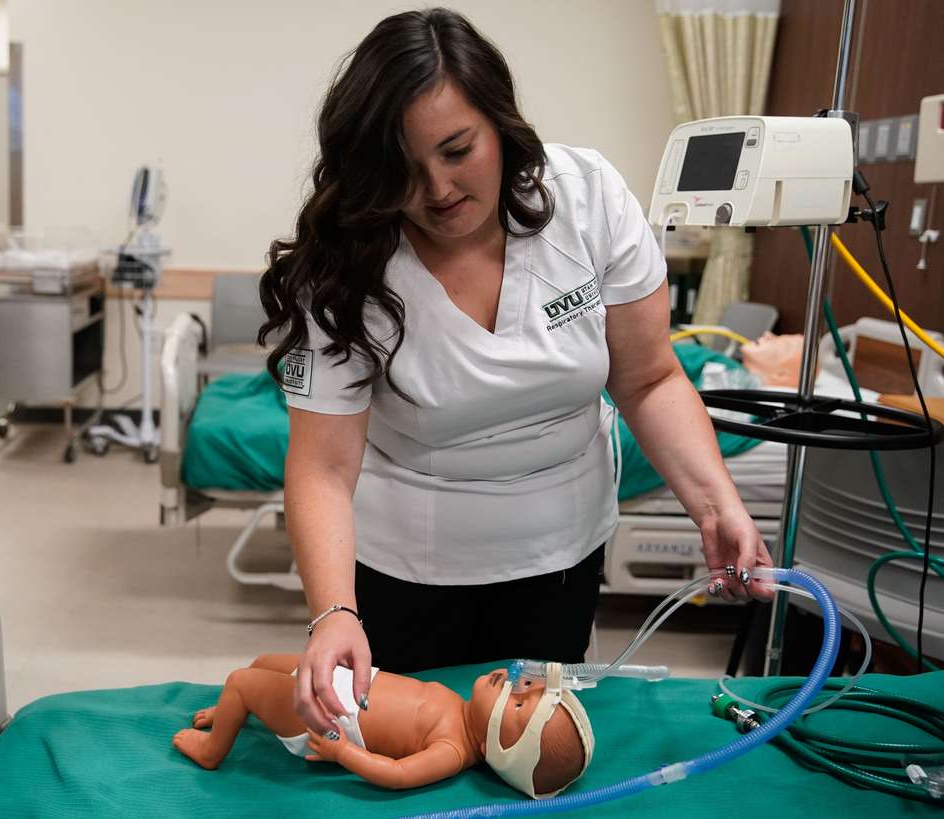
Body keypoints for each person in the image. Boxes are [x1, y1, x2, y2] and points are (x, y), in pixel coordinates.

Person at [256, 7, 774, 739]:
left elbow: (649, 379)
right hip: (407, 565)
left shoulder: (586, 199)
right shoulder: (347, 266)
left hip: (561, 554)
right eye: (405, 169)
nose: (437, 189)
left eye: (457, 150)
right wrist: (334, 611)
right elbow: (321, 466)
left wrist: (716, 502)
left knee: (536, 752)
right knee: (415, 754)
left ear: (501, 123)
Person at [172, 653, 593, 799]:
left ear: (495, 748)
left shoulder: (452, 749)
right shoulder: (460, 709)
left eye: (518, 703)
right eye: (529, 689)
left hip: (326, 717)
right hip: (344, 682)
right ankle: (236, 712)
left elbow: (395, 776)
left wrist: (342, 753)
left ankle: (213, 750)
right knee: (263, 664)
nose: (516, 683)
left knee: (242, 682)